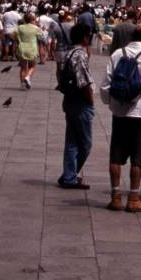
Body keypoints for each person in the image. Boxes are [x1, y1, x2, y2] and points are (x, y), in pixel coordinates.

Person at [100, 24, 141, 212]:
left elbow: (105, 85)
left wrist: (110, 103)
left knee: (116, 155)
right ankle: (133, 199)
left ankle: (116, 197)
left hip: (119, 111)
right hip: (140, 111)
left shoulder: (118, 53)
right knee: (138, 157)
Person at [57, 22, 96, 189]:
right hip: (80, 102)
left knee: (72, 141)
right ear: (85, 37)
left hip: (69, 99)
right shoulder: (79, 55)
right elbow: (83, 82)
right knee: (85, 144)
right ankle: (69, 176)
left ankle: (69, 176)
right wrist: (91, 101)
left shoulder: (67, 53)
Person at [12, 13, 45, 89]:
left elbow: (12, 34)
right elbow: (41, 37)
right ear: (32, 20)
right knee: (33, 66)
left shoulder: (20, 27)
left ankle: (22, 84)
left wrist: (18, 39)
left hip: (22, 48)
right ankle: (28, 77)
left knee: (23, 68)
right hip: (32, 49)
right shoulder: (35, 28)